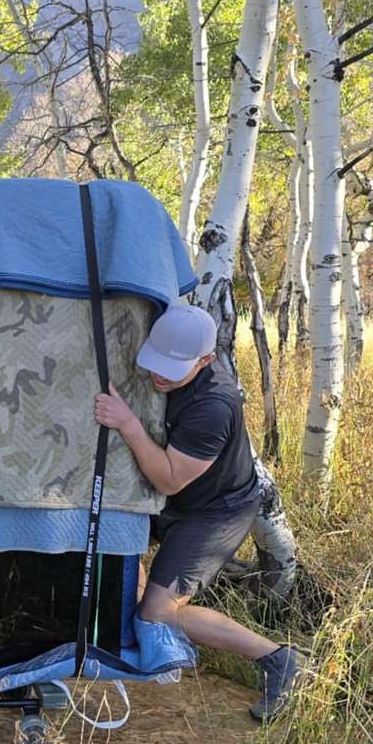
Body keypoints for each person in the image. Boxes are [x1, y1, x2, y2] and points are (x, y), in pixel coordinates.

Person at [94, 302, 306, 721]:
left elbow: (169, 478)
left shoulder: (214, 405)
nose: (158, 376)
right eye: (155, 362)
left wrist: (128, 423)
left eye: (172, 370)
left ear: (205, 360)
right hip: (174, 501)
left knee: (158, 611)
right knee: (116, 546)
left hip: (214, 512)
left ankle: (281, 660)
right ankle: (141, 641)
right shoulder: (157, 359)